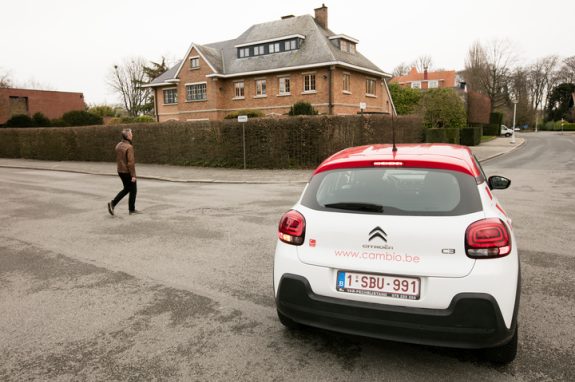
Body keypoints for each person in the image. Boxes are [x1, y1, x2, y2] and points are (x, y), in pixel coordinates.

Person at [108, 128, 142, 215]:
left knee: (127, 189)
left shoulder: (118, 145)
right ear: (128, 136)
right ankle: (131, 209)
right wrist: (133, 175)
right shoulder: (129, 147)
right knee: (133, 190)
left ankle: (113, 203)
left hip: (120, 170)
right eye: (131, 134)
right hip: (127, 171)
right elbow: (130, 162)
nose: (132, 135)